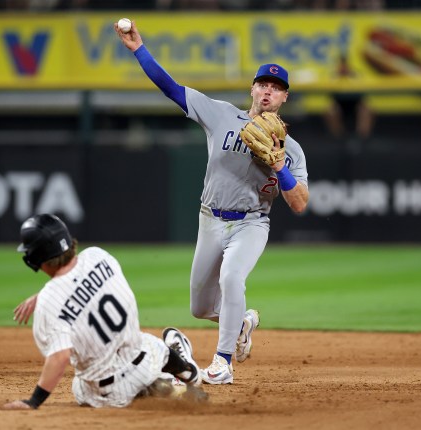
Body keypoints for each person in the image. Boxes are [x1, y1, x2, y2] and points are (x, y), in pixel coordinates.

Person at [114, 20, 309, 384]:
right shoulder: (220, 114)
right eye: (263, 84)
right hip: (210, 219)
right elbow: (170, 88)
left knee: (232, 277)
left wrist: (280, 167)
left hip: (252, 222)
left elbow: (299, 202)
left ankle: (223, 363)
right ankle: (243, 323)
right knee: (200, 307)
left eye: (277, 88)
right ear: (252, 89)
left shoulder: (291, 149)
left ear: (284, 98)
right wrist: (138, 48)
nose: (268, 91)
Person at [3, 214, 204, 410]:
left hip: (108, 392)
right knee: (151, 344)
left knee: (79, 385)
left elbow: (59, 357)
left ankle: (158, 390)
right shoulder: (98, 255)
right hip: (144, 360)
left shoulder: (49, 302)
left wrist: (34, 401)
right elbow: (81, 284)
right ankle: (187, 372)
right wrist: (45, 294)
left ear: (36, 257)